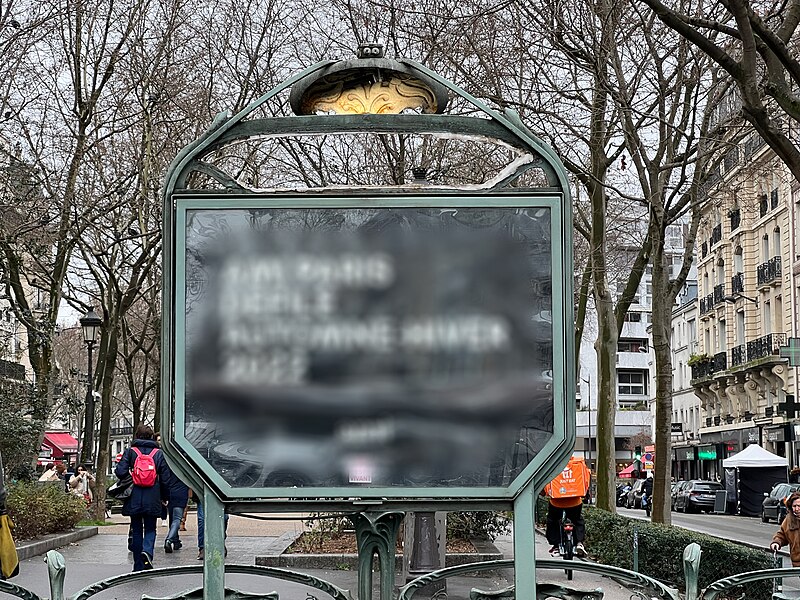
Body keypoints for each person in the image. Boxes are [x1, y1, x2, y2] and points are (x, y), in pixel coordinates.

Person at [115, 424, 171, 572]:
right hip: (153, 494)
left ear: (137, 436)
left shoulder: (131, 452)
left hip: (134, 494)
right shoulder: (159, 454)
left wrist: (131, 477)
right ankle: (147, 552)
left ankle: (137, 564)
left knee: (137, 529)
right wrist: (164, 497)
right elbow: (165, 478)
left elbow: (120, 471)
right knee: (151, 528)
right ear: (152, 436)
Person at [544, 455, 591, 557]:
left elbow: (545, 485)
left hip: (556, 502)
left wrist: (544, 493)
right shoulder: (577, 463)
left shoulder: (552, 463)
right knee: (578, 520)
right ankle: (579, 543)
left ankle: (556, 546)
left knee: (552, 521)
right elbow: (586, 480)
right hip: (575, 502)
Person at [771, 491, 800, 566]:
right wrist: (776, 542)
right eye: (794, 506)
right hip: (797, 564)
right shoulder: (789, 520)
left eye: (799, 506)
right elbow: (782, 534)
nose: (796, 509)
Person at [164, 472, 189, 553]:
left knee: (172, 519)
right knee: (177, 519)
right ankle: (169, 540)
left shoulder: (170, 465)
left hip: (171, 493)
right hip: (181, 493)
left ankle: (176, 542)